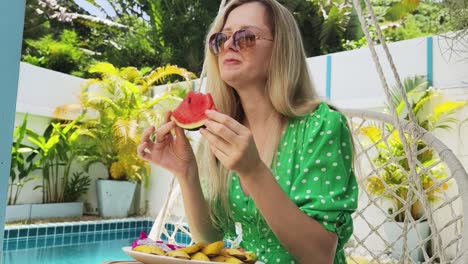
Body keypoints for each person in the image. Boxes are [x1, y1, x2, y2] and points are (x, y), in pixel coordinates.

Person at [137, 0, 358, 263]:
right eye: (222, 38)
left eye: (245, 36)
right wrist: (187, 173)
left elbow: (320, 256)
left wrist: (253, 171)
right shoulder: (225, 129)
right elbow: (211, 242)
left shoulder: (321, 125)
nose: (229, 45)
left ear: (281, 49)